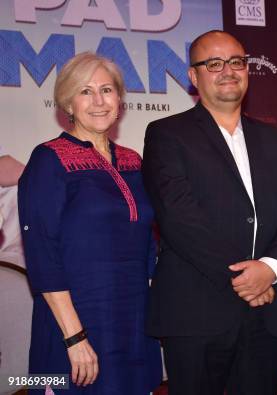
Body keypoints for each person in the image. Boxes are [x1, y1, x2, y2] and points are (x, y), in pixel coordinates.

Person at [141, 30, 277, 395]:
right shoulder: (166, 134)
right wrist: (244, 280)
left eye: (236, 62)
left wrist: (270, 269)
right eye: (214, 64)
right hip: (196, 310)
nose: (228, 70)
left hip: (266, 310)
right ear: (193, 76)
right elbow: (178, 218)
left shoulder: (274, 139)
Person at [18, 52, 162, 394]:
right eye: (85, 91)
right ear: (67, 103)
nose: (98, 101)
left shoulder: (133, 161)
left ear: (120, 100)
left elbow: (148, 245)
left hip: (133, 321)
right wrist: (74, 337)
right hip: (76, 322)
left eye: (107, 90)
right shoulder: (48, 159)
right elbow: (41, 254)